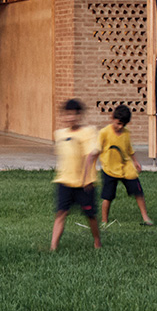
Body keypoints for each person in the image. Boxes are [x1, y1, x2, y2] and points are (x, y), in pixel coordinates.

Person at [49, 99, 101, 251]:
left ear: (79, 116)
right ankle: (53, 247)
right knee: (61, 213)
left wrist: (86, 179)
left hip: (85, 184)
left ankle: (97, 241)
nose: (71, 117)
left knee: (90, 215)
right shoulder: (59, 134)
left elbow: (90, 156)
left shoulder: (89, 132)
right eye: (67, 114)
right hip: (64, 182)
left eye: (74, 114)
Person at [97, 103, 152, 226]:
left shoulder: (126, 133)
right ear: (113, 118)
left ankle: (146, 218)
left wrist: (135, 162)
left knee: (138, 192)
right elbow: (97, 150)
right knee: (107, 196)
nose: (120, 126)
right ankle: (104, 221)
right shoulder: (104, 133)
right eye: (118, 123)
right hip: (109, 169)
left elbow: (129, 149)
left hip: (125, 167)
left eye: (123, 124)